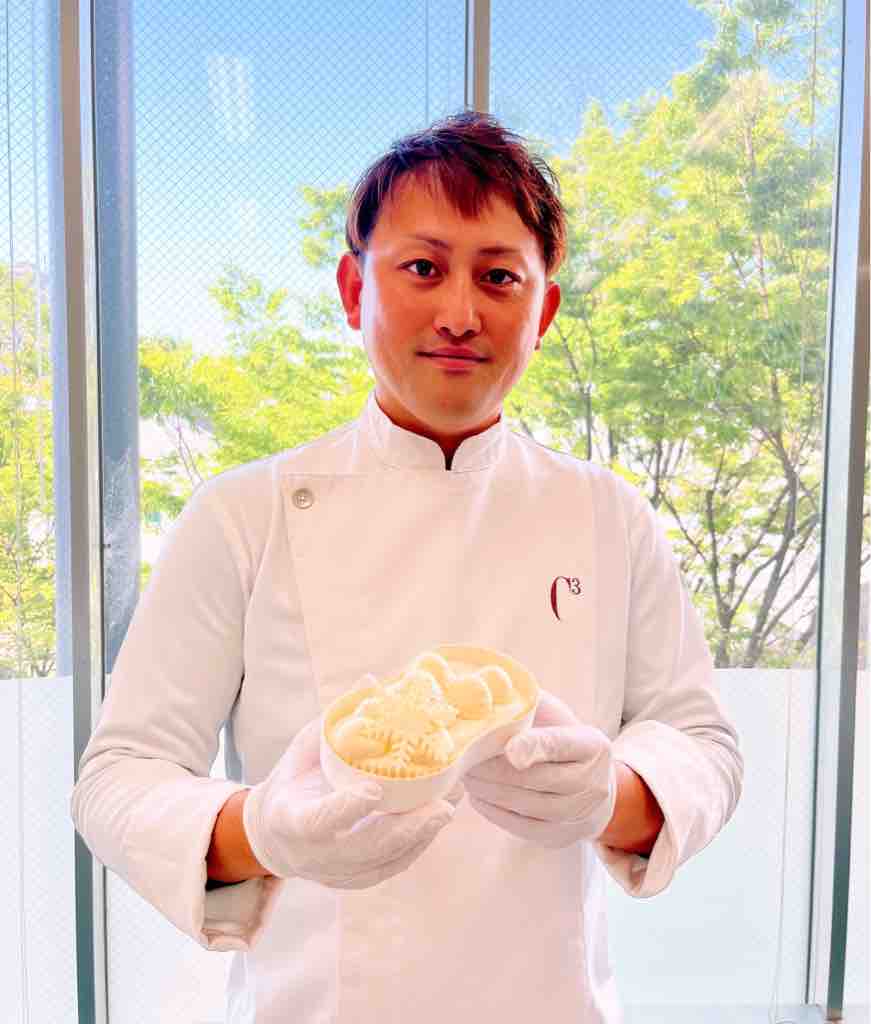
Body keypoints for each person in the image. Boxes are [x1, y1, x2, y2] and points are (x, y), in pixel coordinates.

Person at [71, 110, 743, 1024]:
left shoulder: (607, 514)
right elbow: (119, 777)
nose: (460, 314)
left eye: (498, 276)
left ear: (542, 312)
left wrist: (607, 796)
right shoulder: (242, 514)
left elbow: (700, 742)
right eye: (423, 268)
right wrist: (264, 830)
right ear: (355, 290)